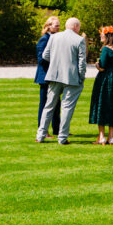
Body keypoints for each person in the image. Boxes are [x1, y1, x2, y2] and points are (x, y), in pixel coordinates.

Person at [36, 17, 87, 145]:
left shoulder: (54, 37)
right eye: (79, 26)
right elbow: (82, 63)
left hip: (54, 75)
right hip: (71, 77)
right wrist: (81, 77)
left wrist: (55, 64)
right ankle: (62, 137)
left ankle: (41, 135)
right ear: (75, 26)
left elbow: (45, 56)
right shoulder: (80, 40)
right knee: (67, 107)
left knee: (49, 106)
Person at [89, 27, 113, 145]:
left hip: (106, 79)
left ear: (107, 37)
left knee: (102, 104)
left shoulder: (105, 49)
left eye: (102, 35)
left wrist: (96, 65)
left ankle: (101, 136)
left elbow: (102, 66)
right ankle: (111, 137)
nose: (101, 36)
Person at [34, 16, 61, 138]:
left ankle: (57, 129)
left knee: (57, 104)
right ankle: (43, 130)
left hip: (54, 76)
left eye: (59, 25)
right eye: (56, 25)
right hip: (45, 76)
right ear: (49, 26)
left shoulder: (55, 39)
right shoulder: (44, 39)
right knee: (44, 104)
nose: (58, 27)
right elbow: (41, 59)